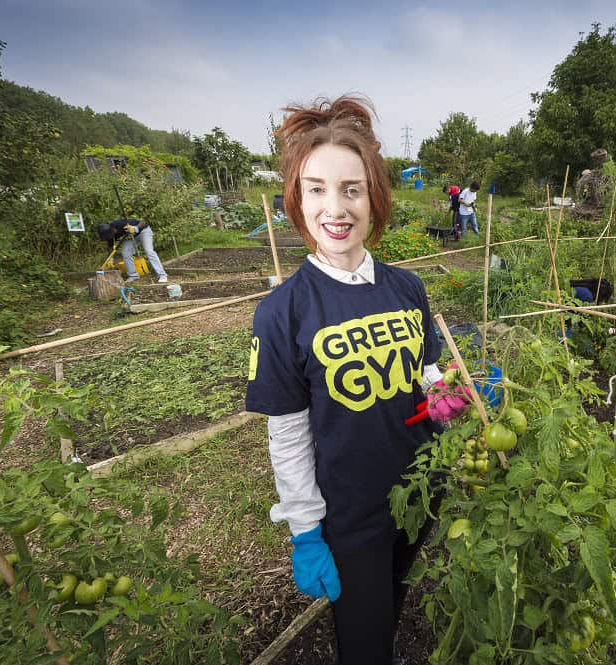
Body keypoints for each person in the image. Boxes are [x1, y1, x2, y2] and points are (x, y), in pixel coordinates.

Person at [245, 96, 468, 665]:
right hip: (351, 514)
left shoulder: (406, 288)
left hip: (420, 489)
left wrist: (451, 401)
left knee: (392, 596)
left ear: (374, 198)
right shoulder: (283, 312)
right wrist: (304, 528)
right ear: (297, 199)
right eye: (316, 188)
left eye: (351, 188)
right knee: (364, 644)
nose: (335, 207)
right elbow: (289, 433)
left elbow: (426, 373)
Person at [97, 218, 168, 283]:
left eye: (107, 236)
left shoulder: (119, 224)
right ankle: (133, 276)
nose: (108, 238)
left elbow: (143, 223)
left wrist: (135, 228)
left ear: (111, 230)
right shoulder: (110, 237)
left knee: (149, 251)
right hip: (131, 237)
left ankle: (162, 275)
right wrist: (109, 259)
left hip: (143, 231)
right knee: (126, 253)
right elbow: (110, 249)